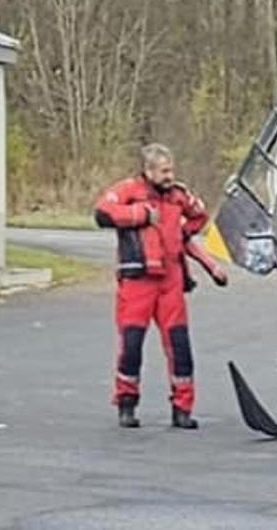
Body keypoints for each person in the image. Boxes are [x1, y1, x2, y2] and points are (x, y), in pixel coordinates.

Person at [95, 143, 228, 430]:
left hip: (171, 280)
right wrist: (139, 216)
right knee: (131, 345)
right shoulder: (129, 190)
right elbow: (103, 213)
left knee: (179, 346)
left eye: (171, 170)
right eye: (164, 171)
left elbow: (199, 216)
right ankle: (126, 404)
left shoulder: (178, 195)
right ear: (148, 170)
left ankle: (182, 408)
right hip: (137, 280)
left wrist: (190, 240)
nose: (170, 176)